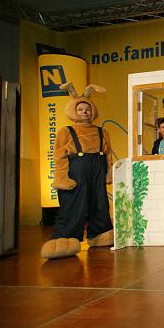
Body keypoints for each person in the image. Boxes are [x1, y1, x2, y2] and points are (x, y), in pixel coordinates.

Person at [41, 83, 115, 259]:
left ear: (93, 111)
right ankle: (65, 238)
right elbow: (59, 156)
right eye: (80, 109)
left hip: (97, 167)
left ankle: (100, 232)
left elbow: (108, 154)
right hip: (76, 169)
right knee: (75, 203)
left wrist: (109, 172)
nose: (84, 112)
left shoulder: (102, 131)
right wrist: (61, 177)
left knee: (99, 201)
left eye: (87, 109)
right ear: (74, 111)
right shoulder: (65, 131)